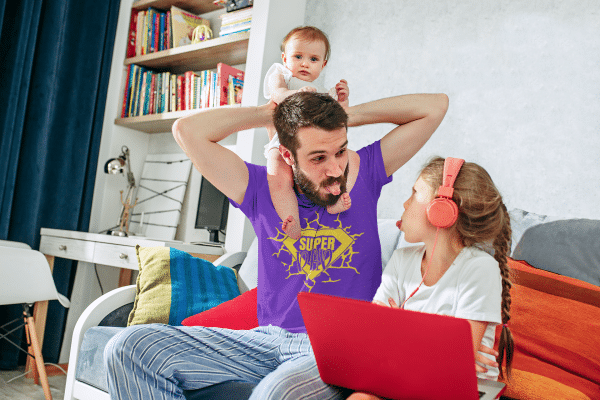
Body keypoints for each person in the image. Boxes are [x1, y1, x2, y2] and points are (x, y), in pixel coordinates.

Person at [105, 91, 449, 400]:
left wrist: (347, 115)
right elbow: (186, 131)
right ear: (287, 154)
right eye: (317, 158)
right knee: (128, 348)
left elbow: (434, 107)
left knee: (274, 393)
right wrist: (269, 112)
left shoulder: (366, 173)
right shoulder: (259, 188)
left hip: (337, 350)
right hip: (265, 340)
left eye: (340, 151)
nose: (334, 169)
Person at [347, 157, 515, 400]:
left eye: (415, 193)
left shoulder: (480, 269)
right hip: (406, 378)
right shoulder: (402, 260)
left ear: (441, 211)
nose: (405, 203)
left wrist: (399, 330)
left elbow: (455, 365)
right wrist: (435, 349)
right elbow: (373, 342)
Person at [263, 26, 354, 240]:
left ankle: (333, 202)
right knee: (277, 176)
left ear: (323, 65)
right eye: (298, 56)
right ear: (285, 58)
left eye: (313, 59)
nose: (305, 63)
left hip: (315, 147)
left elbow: (342, 117)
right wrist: (296, 94)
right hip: (283, 141)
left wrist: (343, 99)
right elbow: (278, 93)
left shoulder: (323, 90)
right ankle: (291, 219)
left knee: (337, 164)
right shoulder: (282, 75)